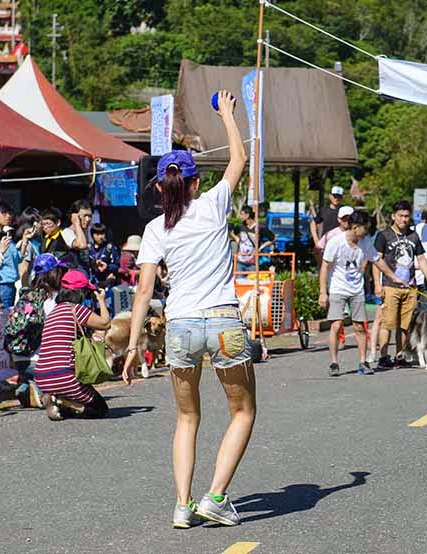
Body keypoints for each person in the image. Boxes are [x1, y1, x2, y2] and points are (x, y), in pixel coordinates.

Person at [121, 89, 255, 529]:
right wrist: (227, 115)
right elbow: (239, 160)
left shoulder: (154, 228)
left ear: (160, 187)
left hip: (178, 326)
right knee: (242, 412)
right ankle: (215, 497)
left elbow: (142, 293)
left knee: (187, 417)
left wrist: (132, 347)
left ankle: (183, 504)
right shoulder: (215, 205)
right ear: (197, 182)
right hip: (222, 321)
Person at [320, 211, 400, 376]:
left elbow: (377, 261)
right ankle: (334, 362)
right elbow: (324, 267)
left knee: (360, 327)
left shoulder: (365, 242)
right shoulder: (335, 242)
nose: (367, 232)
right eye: (365, 228)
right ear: (355, 227)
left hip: (357, 290)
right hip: (338, 289)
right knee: (336, 325)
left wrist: (393, 277)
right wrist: (323, 292)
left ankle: (363, 361)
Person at [33, 270, 111, 420]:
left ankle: (57, 401)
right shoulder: (75, 309)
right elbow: (105, 323)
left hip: (42, 376)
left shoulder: (54, 312)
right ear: (80, 292)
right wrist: (101, 300)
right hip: (65, 375)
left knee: (69, 411)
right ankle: (67, 402)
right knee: (100, 409)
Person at [373, 200, 427, 369]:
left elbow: (421, 259)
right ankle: (383, 356)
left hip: (410, 287)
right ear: (393, 217)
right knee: (387, 324)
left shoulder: (413, 236)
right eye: (400, 216)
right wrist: (378, 286)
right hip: (390, 286)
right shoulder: (383, 235)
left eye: (407, 216)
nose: (403, 219)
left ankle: (400, 355)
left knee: (405, 325)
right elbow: (376, 260)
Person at [6, 254, 64, 407]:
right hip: (40, 363)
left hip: (19, 359)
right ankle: (42, 389)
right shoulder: (54, 300)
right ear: (55, 273)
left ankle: (26, 385)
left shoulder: (26, 296)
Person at [231, 205, 275, 273]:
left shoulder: (260, 227)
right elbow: (232, 233)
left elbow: (273, 238)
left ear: (247, 215)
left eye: (242, 214)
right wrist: (237, 239)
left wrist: (261, 247)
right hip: (240, 261)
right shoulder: (241, 226)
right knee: (239, 281)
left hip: (253, 262)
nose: (240, 216)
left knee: (252, 281)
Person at [310, 186, 345, 264]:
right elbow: (313, 223)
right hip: (326, 244)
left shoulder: (344, 210)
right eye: (334, 196)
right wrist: (316, 240)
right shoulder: (324, 210)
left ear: (342, 197)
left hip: (341, 244)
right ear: (330, 196)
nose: (336, 199)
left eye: (339, 196)